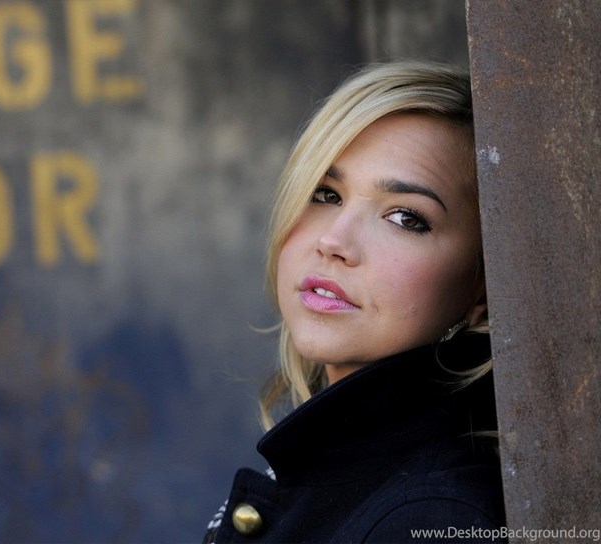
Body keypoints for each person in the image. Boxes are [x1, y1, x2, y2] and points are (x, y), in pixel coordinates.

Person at [203, 61, 505, 543]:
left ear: (482, 289)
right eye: (325, 194)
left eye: (405, 218)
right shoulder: (337, 471)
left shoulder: (432, 520)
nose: (333, 241)